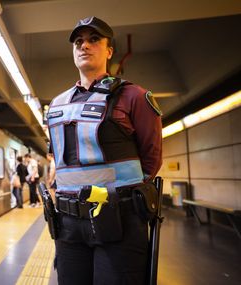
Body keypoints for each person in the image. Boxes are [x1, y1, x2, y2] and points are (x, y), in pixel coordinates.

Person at [46, 16, 162, 285]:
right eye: (78, 41)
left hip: (120, 219)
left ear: (109, 51)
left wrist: (122, 195)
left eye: (94, 39)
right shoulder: (56, 105)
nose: (84, 45)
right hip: (68, 223)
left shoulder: (134, 97)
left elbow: (151, 158)